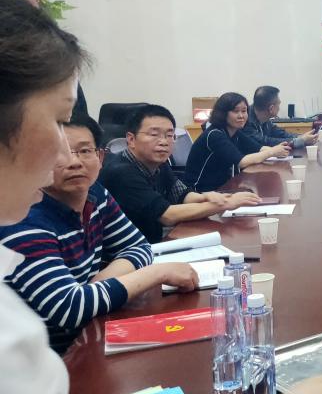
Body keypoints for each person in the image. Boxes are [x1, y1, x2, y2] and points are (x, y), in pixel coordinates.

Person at [0, 0, 322, 394]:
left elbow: (136, 246)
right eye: (56, 122)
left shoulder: (93, 196)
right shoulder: (19, 270)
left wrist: (106, 276)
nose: (64, 155)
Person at [0, 113, 198, 353]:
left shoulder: (95, 194)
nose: (75, 162)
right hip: (43, 361)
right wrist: (158, 272)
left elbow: (138, 247)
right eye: (59, 152)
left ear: (100, 157)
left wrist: (97, 284)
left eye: (85, 151)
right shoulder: (21, 217)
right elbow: (69, 308)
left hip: (89, 337)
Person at [99, 104, 261, 243]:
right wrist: (224, 204)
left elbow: (182, 194)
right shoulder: (121, 172)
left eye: (169, 135)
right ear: (131, 139)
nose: (164, 141)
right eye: (154, 134)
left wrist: (208, 197)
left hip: (153, 242)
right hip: (132, 253)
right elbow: (167, 215)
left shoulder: (158, 163)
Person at [183, 92, 290, 193]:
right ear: (223, 113)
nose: (241, 116)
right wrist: (272, 152)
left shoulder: (235, 132)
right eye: (235, 111)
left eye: (244, 111)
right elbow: (242, 161)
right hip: (200, 191)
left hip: (222, 187)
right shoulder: (214, 134)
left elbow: (259, 148)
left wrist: (279, 150)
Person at [245, 85, 318, 149]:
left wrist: (300, 137)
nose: (279, 108)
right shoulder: (246, 121)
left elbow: (280, 133)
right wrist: (300, 141)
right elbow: (265, 142)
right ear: (271, 108)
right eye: (279, 104)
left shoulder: (264, 118)